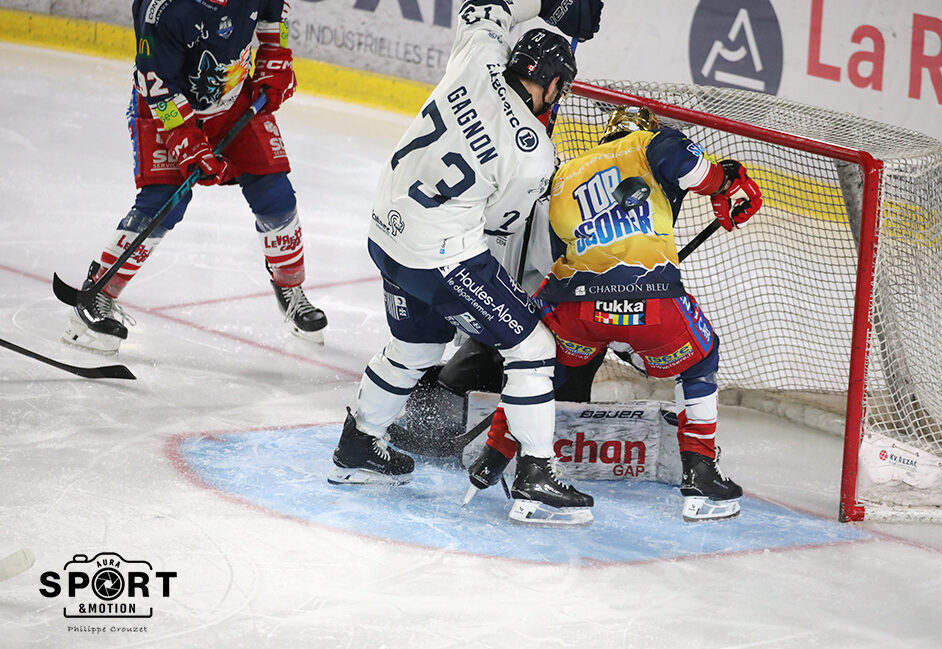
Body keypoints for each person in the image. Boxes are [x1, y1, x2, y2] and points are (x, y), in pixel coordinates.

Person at [327, 0, 604, 527]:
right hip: (439, 256)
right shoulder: (534, 154)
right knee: (532, 346)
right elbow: (498, 228)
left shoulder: (479, 56)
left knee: (416, 346)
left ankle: (359, 445)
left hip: (385, 231)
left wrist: (548, 5)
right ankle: (536, 475)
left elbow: (486, 6)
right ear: (550, 84)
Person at [466, 105, 763, 522]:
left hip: (576, 306)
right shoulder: (648, 143)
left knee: (536, 366)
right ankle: (700, 472)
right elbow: (683, 161)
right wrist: (724, 183)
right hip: (650, 301)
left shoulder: (566, 173)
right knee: (700, 361)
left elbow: (560, 250)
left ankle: (494, 455)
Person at [62, 0, 327, 354]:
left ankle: (289, 287)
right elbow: (158, 86)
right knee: (164, 201)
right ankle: (98, 294)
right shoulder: (162, 9)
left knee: (275, 194)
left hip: (233, 101)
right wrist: (185, 140)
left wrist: (274, 56)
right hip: (166, 108)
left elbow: (273, 13)